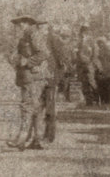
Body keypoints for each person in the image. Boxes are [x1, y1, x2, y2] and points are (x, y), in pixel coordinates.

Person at [9, 14, 49, 150]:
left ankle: (21, 138)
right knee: (36, 107)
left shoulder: (33, 34)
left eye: (20, 22)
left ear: (26, 22)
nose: (18, 25)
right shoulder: (25, 35)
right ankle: (38, 139)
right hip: (29, 77)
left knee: (27, 106)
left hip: (32, 77)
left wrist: (28, 62)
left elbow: (43, 53)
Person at [43, 22, 70, 143]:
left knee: (47, 105)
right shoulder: (53, 38)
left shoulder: (49, 38)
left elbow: (61, 57)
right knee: (49, 104)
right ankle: (48, 134)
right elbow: (62, 58)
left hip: (47, 75)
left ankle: (48, 134)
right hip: (50, 75)